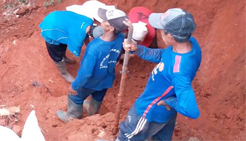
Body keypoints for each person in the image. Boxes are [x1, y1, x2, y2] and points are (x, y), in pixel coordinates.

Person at [116, 8, 201, 141]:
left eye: (161, 30)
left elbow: (191, 110)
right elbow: (165, 55)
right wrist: (138, 49)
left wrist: (170, 101)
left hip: (150, 110)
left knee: (128, 135)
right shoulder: (190, 43)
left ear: (171, 37)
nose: (159, 32)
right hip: (165, 112)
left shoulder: (179, 70)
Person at [56, 8, 127, 122]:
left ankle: (72, 117)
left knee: (74, 97)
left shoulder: (95, 47)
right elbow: (119, 55)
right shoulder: (120, 38)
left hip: (91, 82)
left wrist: (75, 85)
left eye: (105, 20)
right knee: (98, 96)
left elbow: (85, 72)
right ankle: (92, 113)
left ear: (111, 28)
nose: (102, 21)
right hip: (106, 79)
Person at [39, 10, 97, 83]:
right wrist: (84, 67)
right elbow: (76, 54)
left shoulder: (89, 21)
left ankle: (64, 57)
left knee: (63, 44)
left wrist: (89, 49)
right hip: (50, 29)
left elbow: (86, 37)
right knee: (57, 54)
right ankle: (64, 73)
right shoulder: (77, 38)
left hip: (59, 20)